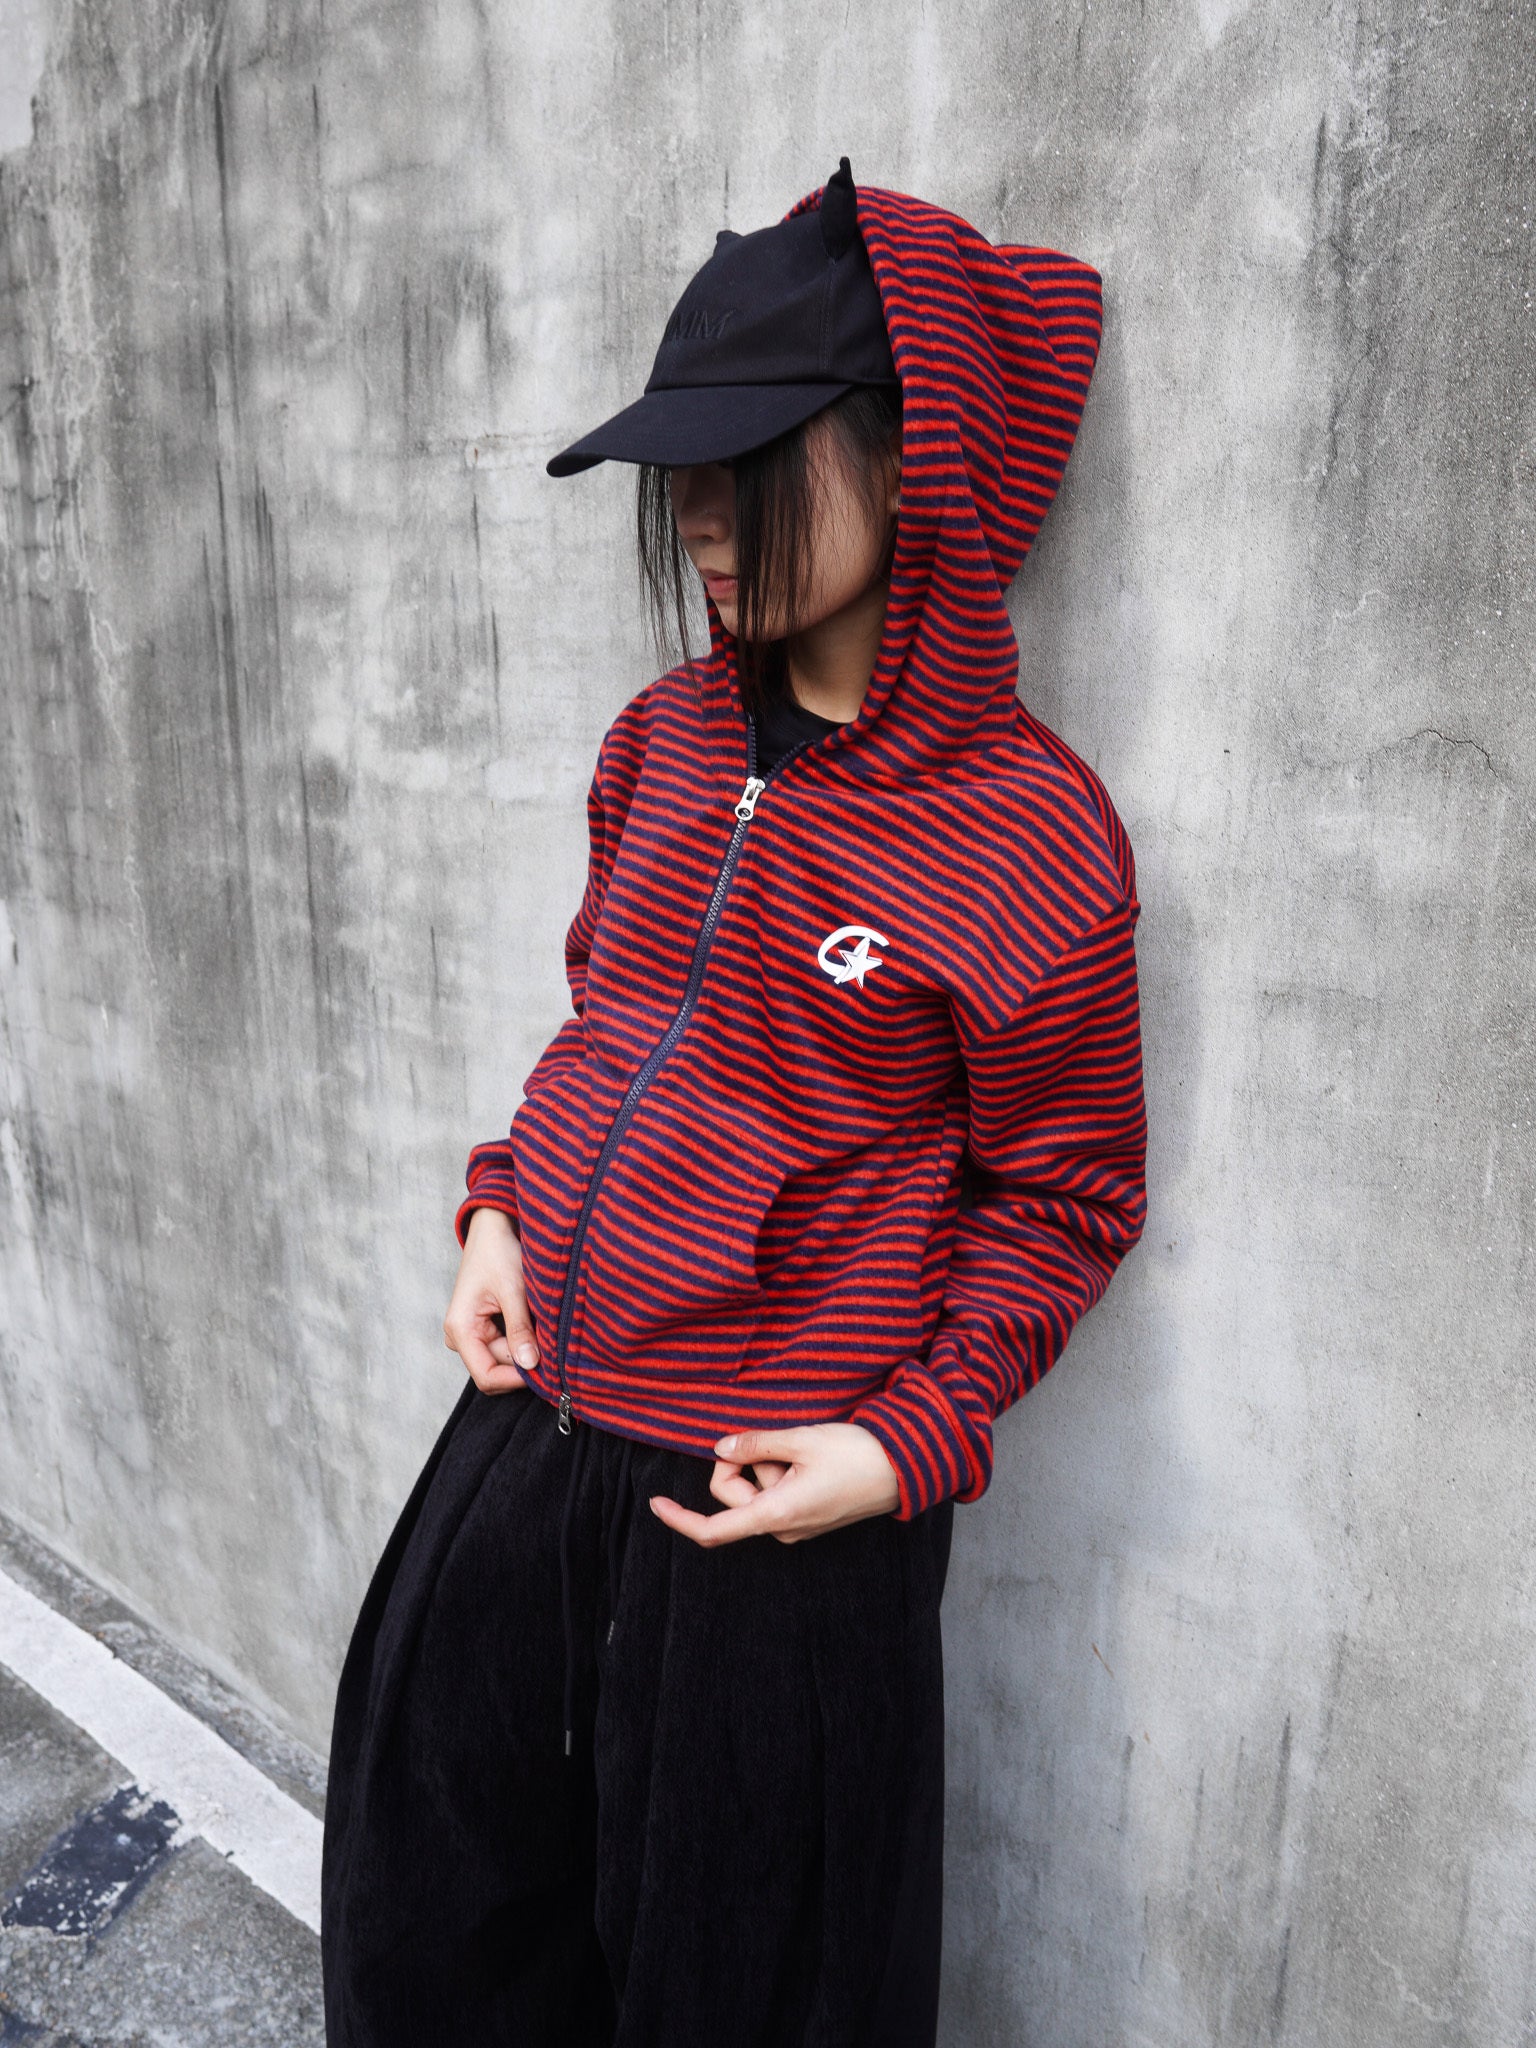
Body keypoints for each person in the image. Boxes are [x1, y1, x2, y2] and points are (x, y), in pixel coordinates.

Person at [320, 157, 1147, 2048]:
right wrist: (498, 1209)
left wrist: (908, 1445)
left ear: (916, 454)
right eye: (676, 461)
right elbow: (608, 1026)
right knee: (427, 1931)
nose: (693, 505)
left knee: (750, 1998)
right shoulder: (663, 741)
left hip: (768, 1508)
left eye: (748, 453)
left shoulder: (1026, 833)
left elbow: (1068, 1199)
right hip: (533, 1436)